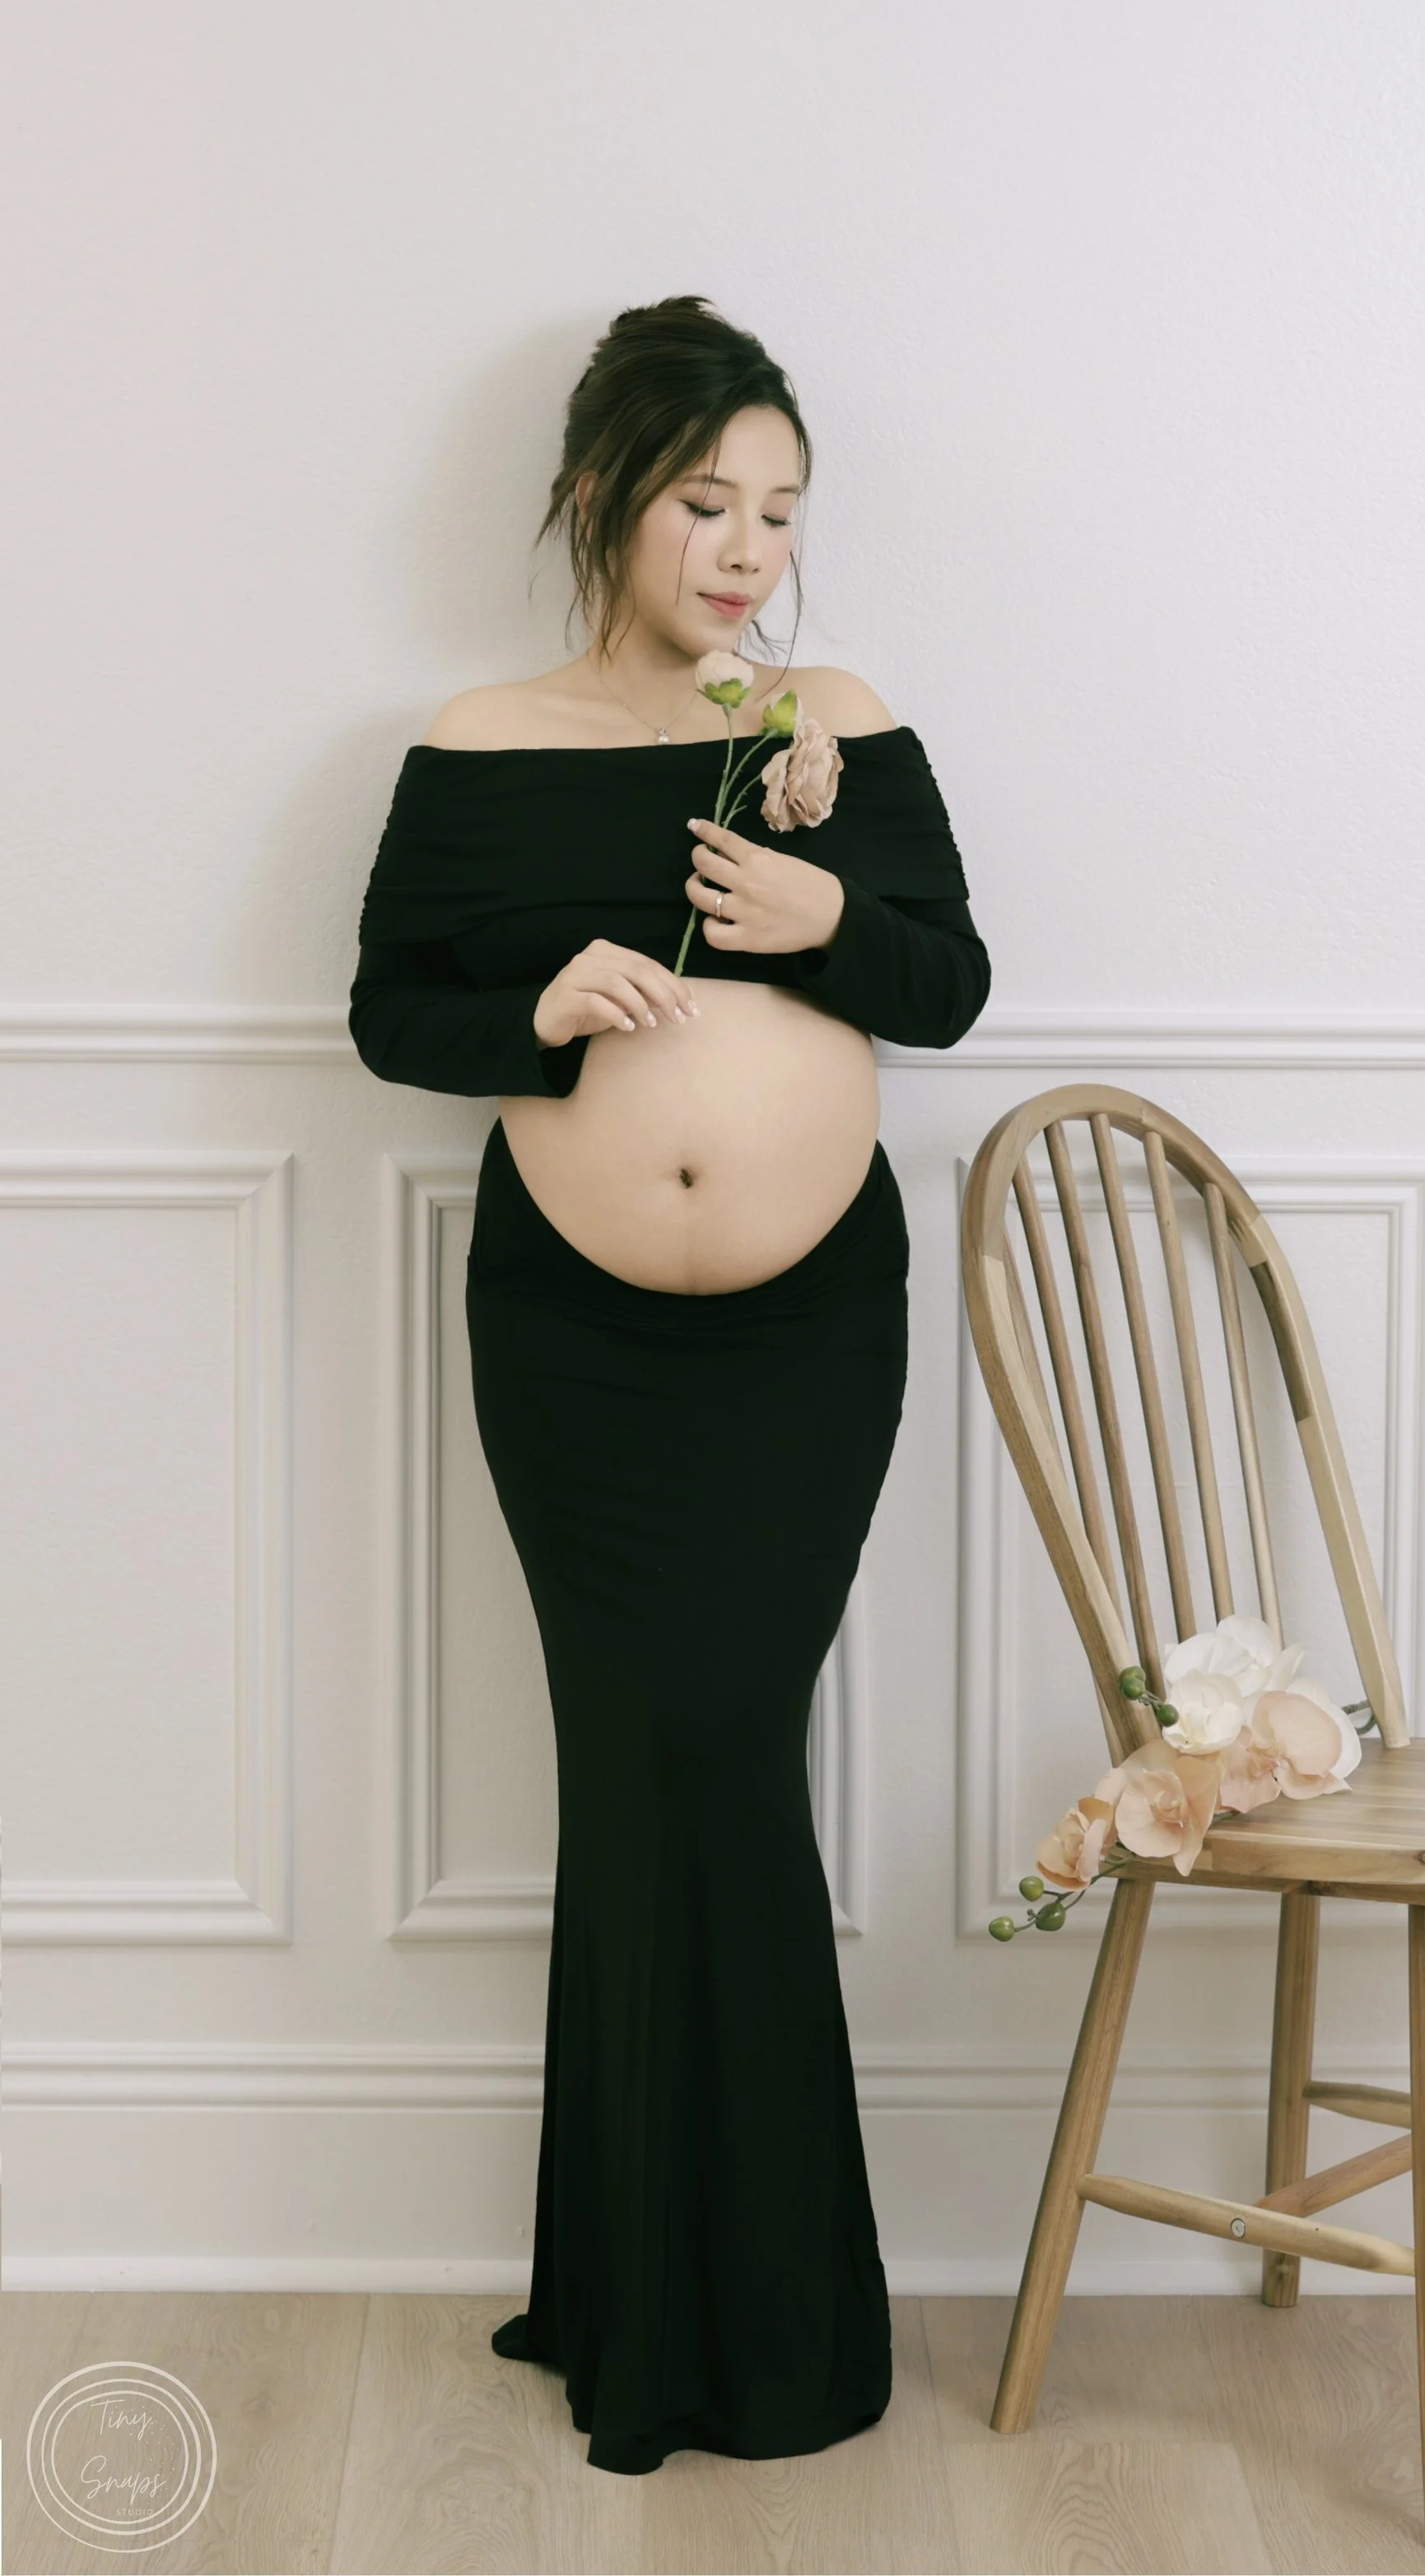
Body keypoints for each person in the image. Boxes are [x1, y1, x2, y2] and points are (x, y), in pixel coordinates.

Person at [347, 294, 989, 2474]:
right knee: (643, 1770)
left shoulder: (834, 720)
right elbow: (392, 1015)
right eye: (708, 500)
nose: (746, 547)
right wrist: (536, 1001)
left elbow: (950, 984)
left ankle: (743, 2321)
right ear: (607, 496)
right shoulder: (485, 735)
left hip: (807, 1340)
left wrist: (820, 916)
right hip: (578, 1348)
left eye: (781, 512)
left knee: (715, 1753)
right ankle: (655, 2306)